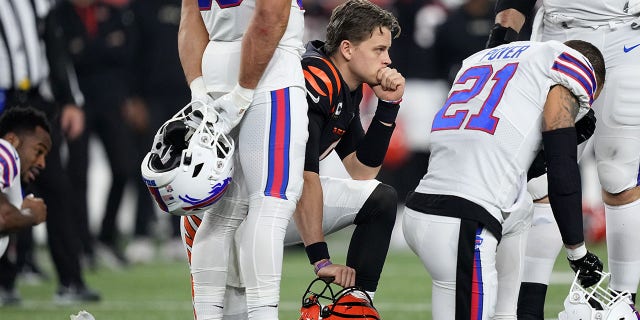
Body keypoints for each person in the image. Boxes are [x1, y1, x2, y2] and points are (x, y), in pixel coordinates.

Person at [402, 39, 606, 319]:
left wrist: (545, 152)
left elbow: (502, 154)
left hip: (428, 205)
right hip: (465, 222)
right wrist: (577, 253)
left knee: (520, 204)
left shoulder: (483, 59)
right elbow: (562, 172)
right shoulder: (568, 69)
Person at [488, 0, 640, 317]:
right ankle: (528, 307)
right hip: (559, 34)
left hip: (626, 34)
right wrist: (500, 40)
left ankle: (623, 302)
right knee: (540, 180)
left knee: (618, 171)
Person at [177, 0, 309, 318]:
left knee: (219, 215)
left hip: (213, 72)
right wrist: (243, 91)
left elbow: (189, 19)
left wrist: (199, 89)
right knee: (271, 205)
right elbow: (270, 16)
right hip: (268, 70)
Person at [0, 0, 100, 304]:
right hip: (2, 100)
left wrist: (70, 99)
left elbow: (54, 44)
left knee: (56, 188)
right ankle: (4, 282)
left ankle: (71, 280)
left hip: (31, 101)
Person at [0, 107, 50, 305]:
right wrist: (31, 215)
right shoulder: (6, 153)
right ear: (13, 140)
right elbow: (3, 218)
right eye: (38, 151)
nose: (42, 163)